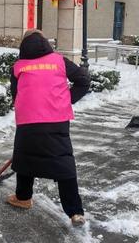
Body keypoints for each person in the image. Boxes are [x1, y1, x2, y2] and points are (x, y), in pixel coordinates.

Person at [7, 30, 91, 226]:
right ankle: (75, 212)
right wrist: (64, 100)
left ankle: (23, 198)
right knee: (63, 161)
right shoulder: (59, 61)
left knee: (25, 158)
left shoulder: (18, 66)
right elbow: (83, 80)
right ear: (45, 43)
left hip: (28, 120)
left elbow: (15, 94)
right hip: (56, 118)